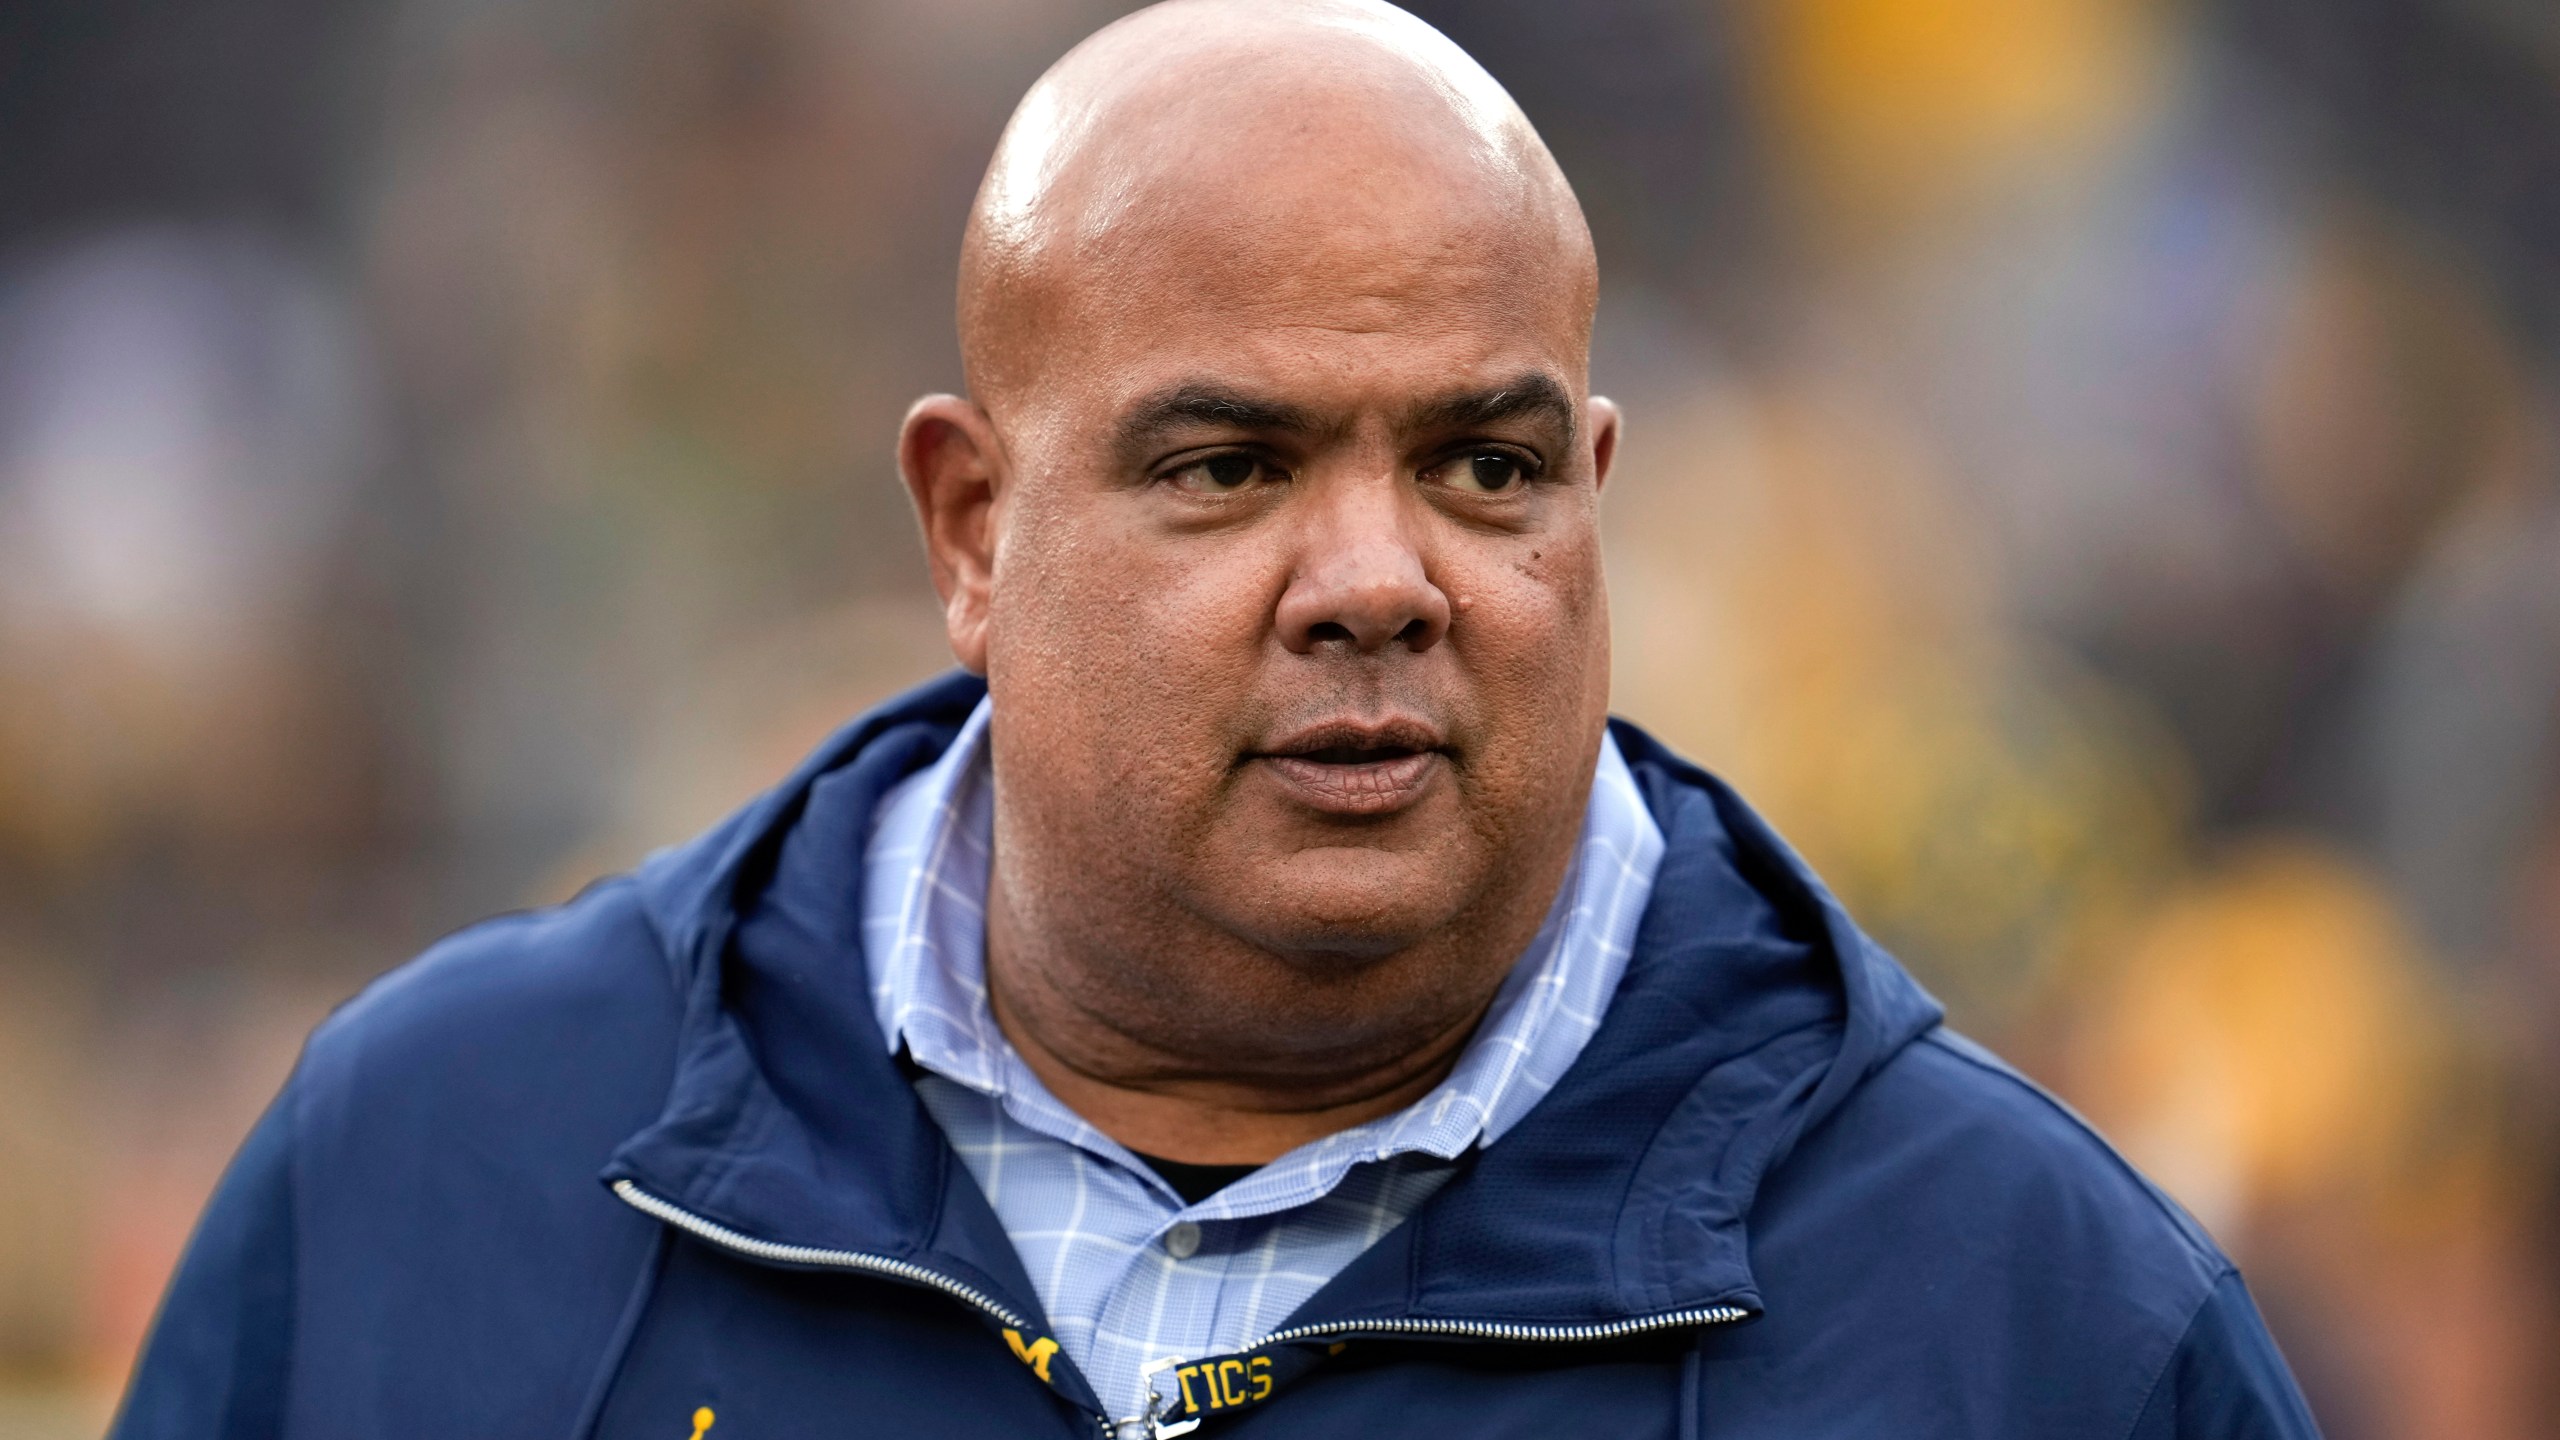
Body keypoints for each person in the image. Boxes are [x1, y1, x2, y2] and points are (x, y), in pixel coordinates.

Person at [112, 2, 2322, 1436]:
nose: (1376, 582)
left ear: (1597, 503)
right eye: (1224, 467)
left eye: (1483, 466)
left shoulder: (2032, 1325)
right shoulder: (434, 1172)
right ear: (970, 525)